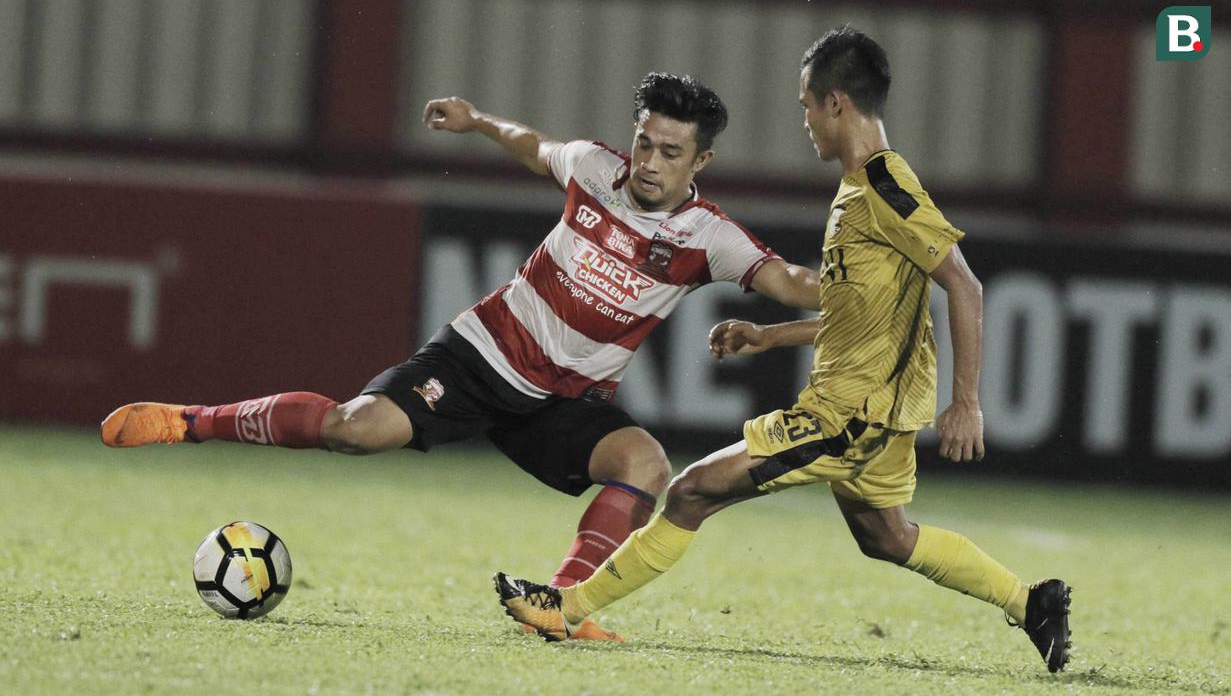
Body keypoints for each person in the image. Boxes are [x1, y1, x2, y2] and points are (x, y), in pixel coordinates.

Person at [100, 73, 822, 641]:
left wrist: (862, 282)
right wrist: (477, 123)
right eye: (644, 143)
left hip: (564, 402)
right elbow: (533, 143)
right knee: (353, 428)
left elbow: (789, 281)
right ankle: (189, 422)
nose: (650, 163)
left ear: (702, 160)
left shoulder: (708, 235)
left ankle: (558, 607)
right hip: (480, 357)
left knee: (645, 464)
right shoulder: (594, 170)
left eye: (670, 152)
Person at [496, 27, 1072, 671]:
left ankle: (566, 608)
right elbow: (867, 312)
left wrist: (967, 402)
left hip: (850, 413)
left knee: (690, 492)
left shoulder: (884, 188)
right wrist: (772, 335)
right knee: (887, 537)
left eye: (805, 106)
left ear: (834, 104)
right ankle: (1033, 602)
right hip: (876, 408)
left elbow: (963, 284)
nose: (804, 121)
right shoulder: (859, 189)